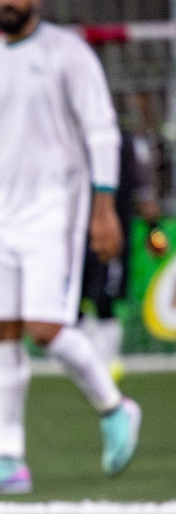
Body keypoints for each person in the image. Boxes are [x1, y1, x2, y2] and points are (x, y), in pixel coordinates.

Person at [0, 0, 141, 494]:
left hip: (55, 211)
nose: (7, 0)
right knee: (2, 331)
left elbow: (102, 132)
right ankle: (8, 456)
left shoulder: (68, 53)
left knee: (45, 328)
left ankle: (114, 405)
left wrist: (104, 207)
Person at [79, 98, 168, 375]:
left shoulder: (128, 146)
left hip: (113, 234)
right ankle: (91, 356)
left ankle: (107, 362)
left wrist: (154, 229)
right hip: (77, 236)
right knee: (71, 302)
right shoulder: (76, 145)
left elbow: (144, 192)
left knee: (105, 298)